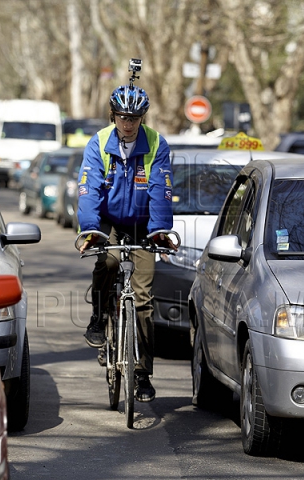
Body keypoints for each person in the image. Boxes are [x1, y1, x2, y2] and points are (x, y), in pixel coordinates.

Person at [77, 83, 177, 403]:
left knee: (144, 297)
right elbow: (89, 188)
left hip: (143, 223)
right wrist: (91, 230)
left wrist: (160, 229)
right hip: (109, 219)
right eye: (122, 117)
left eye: (134, 118)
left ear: (142, 118)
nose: (128, 123)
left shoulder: (156, 144)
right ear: (113, 115)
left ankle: (142, 374)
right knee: (107, 262)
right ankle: (99, 316)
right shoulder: (100, 142)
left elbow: (161, 189)